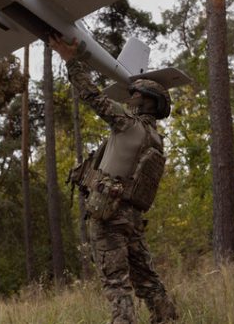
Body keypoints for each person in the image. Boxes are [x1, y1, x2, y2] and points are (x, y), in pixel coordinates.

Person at [50, 35, 178, 324]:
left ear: (146, 102)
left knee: (116, 283)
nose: (129, 98)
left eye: (134, 95)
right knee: (147, 280)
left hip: (108, 216)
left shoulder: (127, 124)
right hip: (132, 219)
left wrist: (71, 60)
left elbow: (92, 96)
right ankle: (168, 319)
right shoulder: (155, 139)